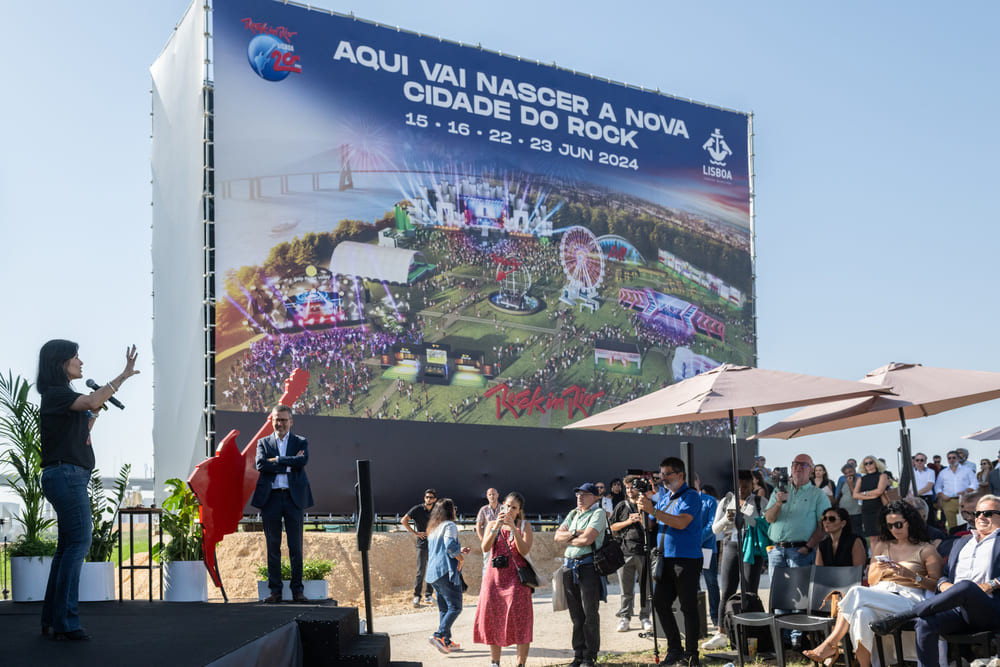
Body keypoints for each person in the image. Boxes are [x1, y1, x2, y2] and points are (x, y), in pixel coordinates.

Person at [38, 341, 138, 640]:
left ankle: (53, 618)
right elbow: (92, 400)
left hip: (68, 474)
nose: (81, 362)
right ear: (60, 363)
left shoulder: (64, 397)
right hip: (66, 475)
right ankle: (66, 621)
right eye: (75, 357)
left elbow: (82, 427)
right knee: (80, 543)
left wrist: (93, 415)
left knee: (67, 548)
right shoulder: (56, 394)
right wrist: (122, 376)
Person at [803, 501, 943, 667]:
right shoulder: (882, 545)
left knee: (856, 592)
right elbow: (872, 580)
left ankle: (831, 643)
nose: (894, 530)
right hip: (881, 592)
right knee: (862, 614)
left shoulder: (926, 549)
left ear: (910, 522)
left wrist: (912, 576)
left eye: (898, 524)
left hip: (909, 597)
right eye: (889, 526)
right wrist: (884, 569)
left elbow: (936, 585)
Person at [869, 494, 1000, 667]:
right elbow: (944, 575)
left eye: (988, 513)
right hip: (956, 610)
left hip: (989, 609)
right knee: (925, 623)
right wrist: (944, 584)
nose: (981, 517)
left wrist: (992, 584)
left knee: (966, 586)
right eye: (978, 513)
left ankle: (902, 617)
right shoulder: (962, 543)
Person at [637, 457, 702, 666]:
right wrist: (643, 510)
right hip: (665, 559)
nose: (662, 478)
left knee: (688, 607)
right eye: (661, 474)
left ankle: (691, 654)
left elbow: (681, 523)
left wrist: (653, 510)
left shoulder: (691, 497)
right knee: (660, 603)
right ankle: (675, 648)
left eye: (667, 474)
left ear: (680, 475)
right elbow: (651, 524)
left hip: (686, 559)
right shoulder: (665, 498)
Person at [764, 453, 830, 648]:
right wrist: (778, 502)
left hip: (800, 550)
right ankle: (781, 638)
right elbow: (769, 518)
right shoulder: (779, 491)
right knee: (779, 594)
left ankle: (797, 637)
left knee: (798, 595)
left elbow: (823, 525)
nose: (797, 468)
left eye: (803, 465)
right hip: (777, 550)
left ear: (811, 470)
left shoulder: (818, 495)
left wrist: (809, 546)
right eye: (794, 464)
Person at [252, 403, 315, 603]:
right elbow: (261, 464)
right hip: (271, 499)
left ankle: (297, 590)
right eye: (276, 419)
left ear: (291, 421)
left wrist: (277, 460)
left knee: (295, 547)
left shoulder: (300, 441)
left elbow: (302, 461)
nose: (280, 423)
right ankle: (275, 591)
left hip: (293, 498)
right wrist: (288, 464)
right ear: (271, 421)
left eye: (283, 420)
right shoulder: (263, 442)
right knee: (273, 546)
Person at [701, 469, 767, 651]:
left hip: (752, 549)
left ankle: (751, 632)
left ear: (752, 486)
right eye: (739, 488)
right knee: (727, 591)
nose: (742, 491)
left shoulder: (760, 501)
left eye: (746, 487)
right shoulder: (725, 501)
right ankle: (721, 633)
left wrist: (745, 513)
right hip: (732, 546)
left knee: (750, 591)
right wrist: (726, 520)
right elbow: (715, 529)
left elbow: (766, 524)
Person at [474, 491, 534, 667]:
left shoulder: (524, 526)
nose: (509, 510)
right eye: (506, 506)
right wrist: (496, 527)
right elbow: (485, 547)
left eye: (513, 507)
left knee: (521, 621)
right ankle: (495, 663)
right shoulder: (492, 523)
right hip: (494, 579)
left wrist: (514, 529)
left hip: (517, 580)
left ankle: (520, 664)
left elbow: (524, 550)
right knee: (493, 619)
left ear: (519, 510)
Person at [554, 482, 608, 667]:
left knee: (590, 613)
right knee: (576, 615)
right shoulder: (573, 513)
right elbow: (556, 536)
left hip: (588, 567)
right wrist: (575, 533)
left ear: (595, 497)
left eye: (584, 494)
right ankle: (578, 654)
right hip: (570, 568)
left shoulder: (598, 513)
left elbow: (588, 539)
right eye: (578, 494)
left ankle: (590, 655)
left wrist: (570, 537)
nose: (579, 497)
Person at [425, 498, 471, 654]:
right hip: (445, 572)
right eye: (454, 508)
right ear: (450, 511)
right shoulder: (450, 525)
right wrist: (460, 558)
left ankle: (445, 640)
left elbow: (442, 549)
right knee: (456, 607)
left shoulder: (434, 528)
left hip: (433, 574)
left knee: (444, 608)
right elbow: (450, 547)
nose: (455, 511)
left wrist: (460, 549)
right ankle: (438, 636)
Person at [609, 475, 653, 633]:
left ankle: (645, 617)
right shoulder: (621, 505)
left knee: (646, 589)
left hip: (644, 552)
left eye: (632, 487)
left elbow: (653, 526)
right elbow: (612, 527)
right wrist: (628, 521)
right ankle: (625, 617)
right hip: (625, 552)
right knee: (625, 590)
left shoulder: (648, 505)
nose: (629, 490)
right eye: (626, 488)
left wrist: (642, 518)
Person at [402, 489, 438, 606]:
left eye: (431, 497)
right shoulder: (417, 509)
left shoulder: (437, 510)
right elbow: (404, 520)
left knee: (432, 570)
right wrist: (415, 533)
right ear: (424, 498)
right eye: (427, 497)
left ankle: (428, 596)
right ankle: (417, 597)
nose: (429, 499)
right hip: (422, 545)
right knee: (420, 571)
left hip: (433, 544)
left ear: (434, 499)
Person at [934, 450, 977, 529]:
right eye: (949, 458)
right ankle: (953, 540)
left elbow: (975, 484)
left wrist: (965, 491)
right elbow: (937, 487)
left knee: (965, 522)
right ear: (947, 459)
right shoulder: (943, 472)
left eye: (954, 458)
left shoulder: (967, 470)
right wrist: (942, 495)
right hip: (948, 501)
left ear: (958, 458)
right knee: (951, 525)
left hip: (963, 500)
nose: (951, 460)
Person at [698, 483, 721, 629]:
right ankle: (698, 619)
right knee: (691, 584)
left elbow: (712, 525)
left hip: (706, 548)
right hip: (688, 550)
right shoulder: (682, 500)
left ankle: (715, 616)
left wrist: (696, 540)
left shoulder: (709, 500)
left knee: (711, 582)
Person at [853, 455, 891, 537]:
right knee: (872, 537)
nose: (868, 465)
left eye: (870, 462)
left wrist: (864, 493)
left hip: (880, 508)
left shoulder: (882, 476)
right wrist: (871, 496)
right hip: (867, 510)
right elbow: (855, 495)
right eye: (865, 463)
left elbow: (879, 491)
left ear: (876, 463)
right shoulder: (861, 479)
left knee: (883, 535)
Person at [834, 463, 864, 535]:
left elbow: (855, 495)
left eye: (850, 472)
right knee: (845, 533)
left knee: (857, 533)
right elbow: (839, 495)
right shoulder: (844, 482)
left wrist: (850, 484)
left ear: (854, 471)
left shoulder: (859, 480)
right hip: (844, 511)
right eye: (846, 473)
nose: (848, 474)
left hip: (855, 512)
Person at [911, 453, 938, 526]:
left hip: (926, 499)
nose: (919, 462)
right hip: (913, 499)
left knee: (929, 521)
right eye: (917, 460)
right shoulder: (910, 472)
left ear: (925, 461)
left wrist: (915, 494)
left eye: (921, 460)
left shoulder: (930, 472)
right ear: (914, 461)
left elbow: (929, 487)